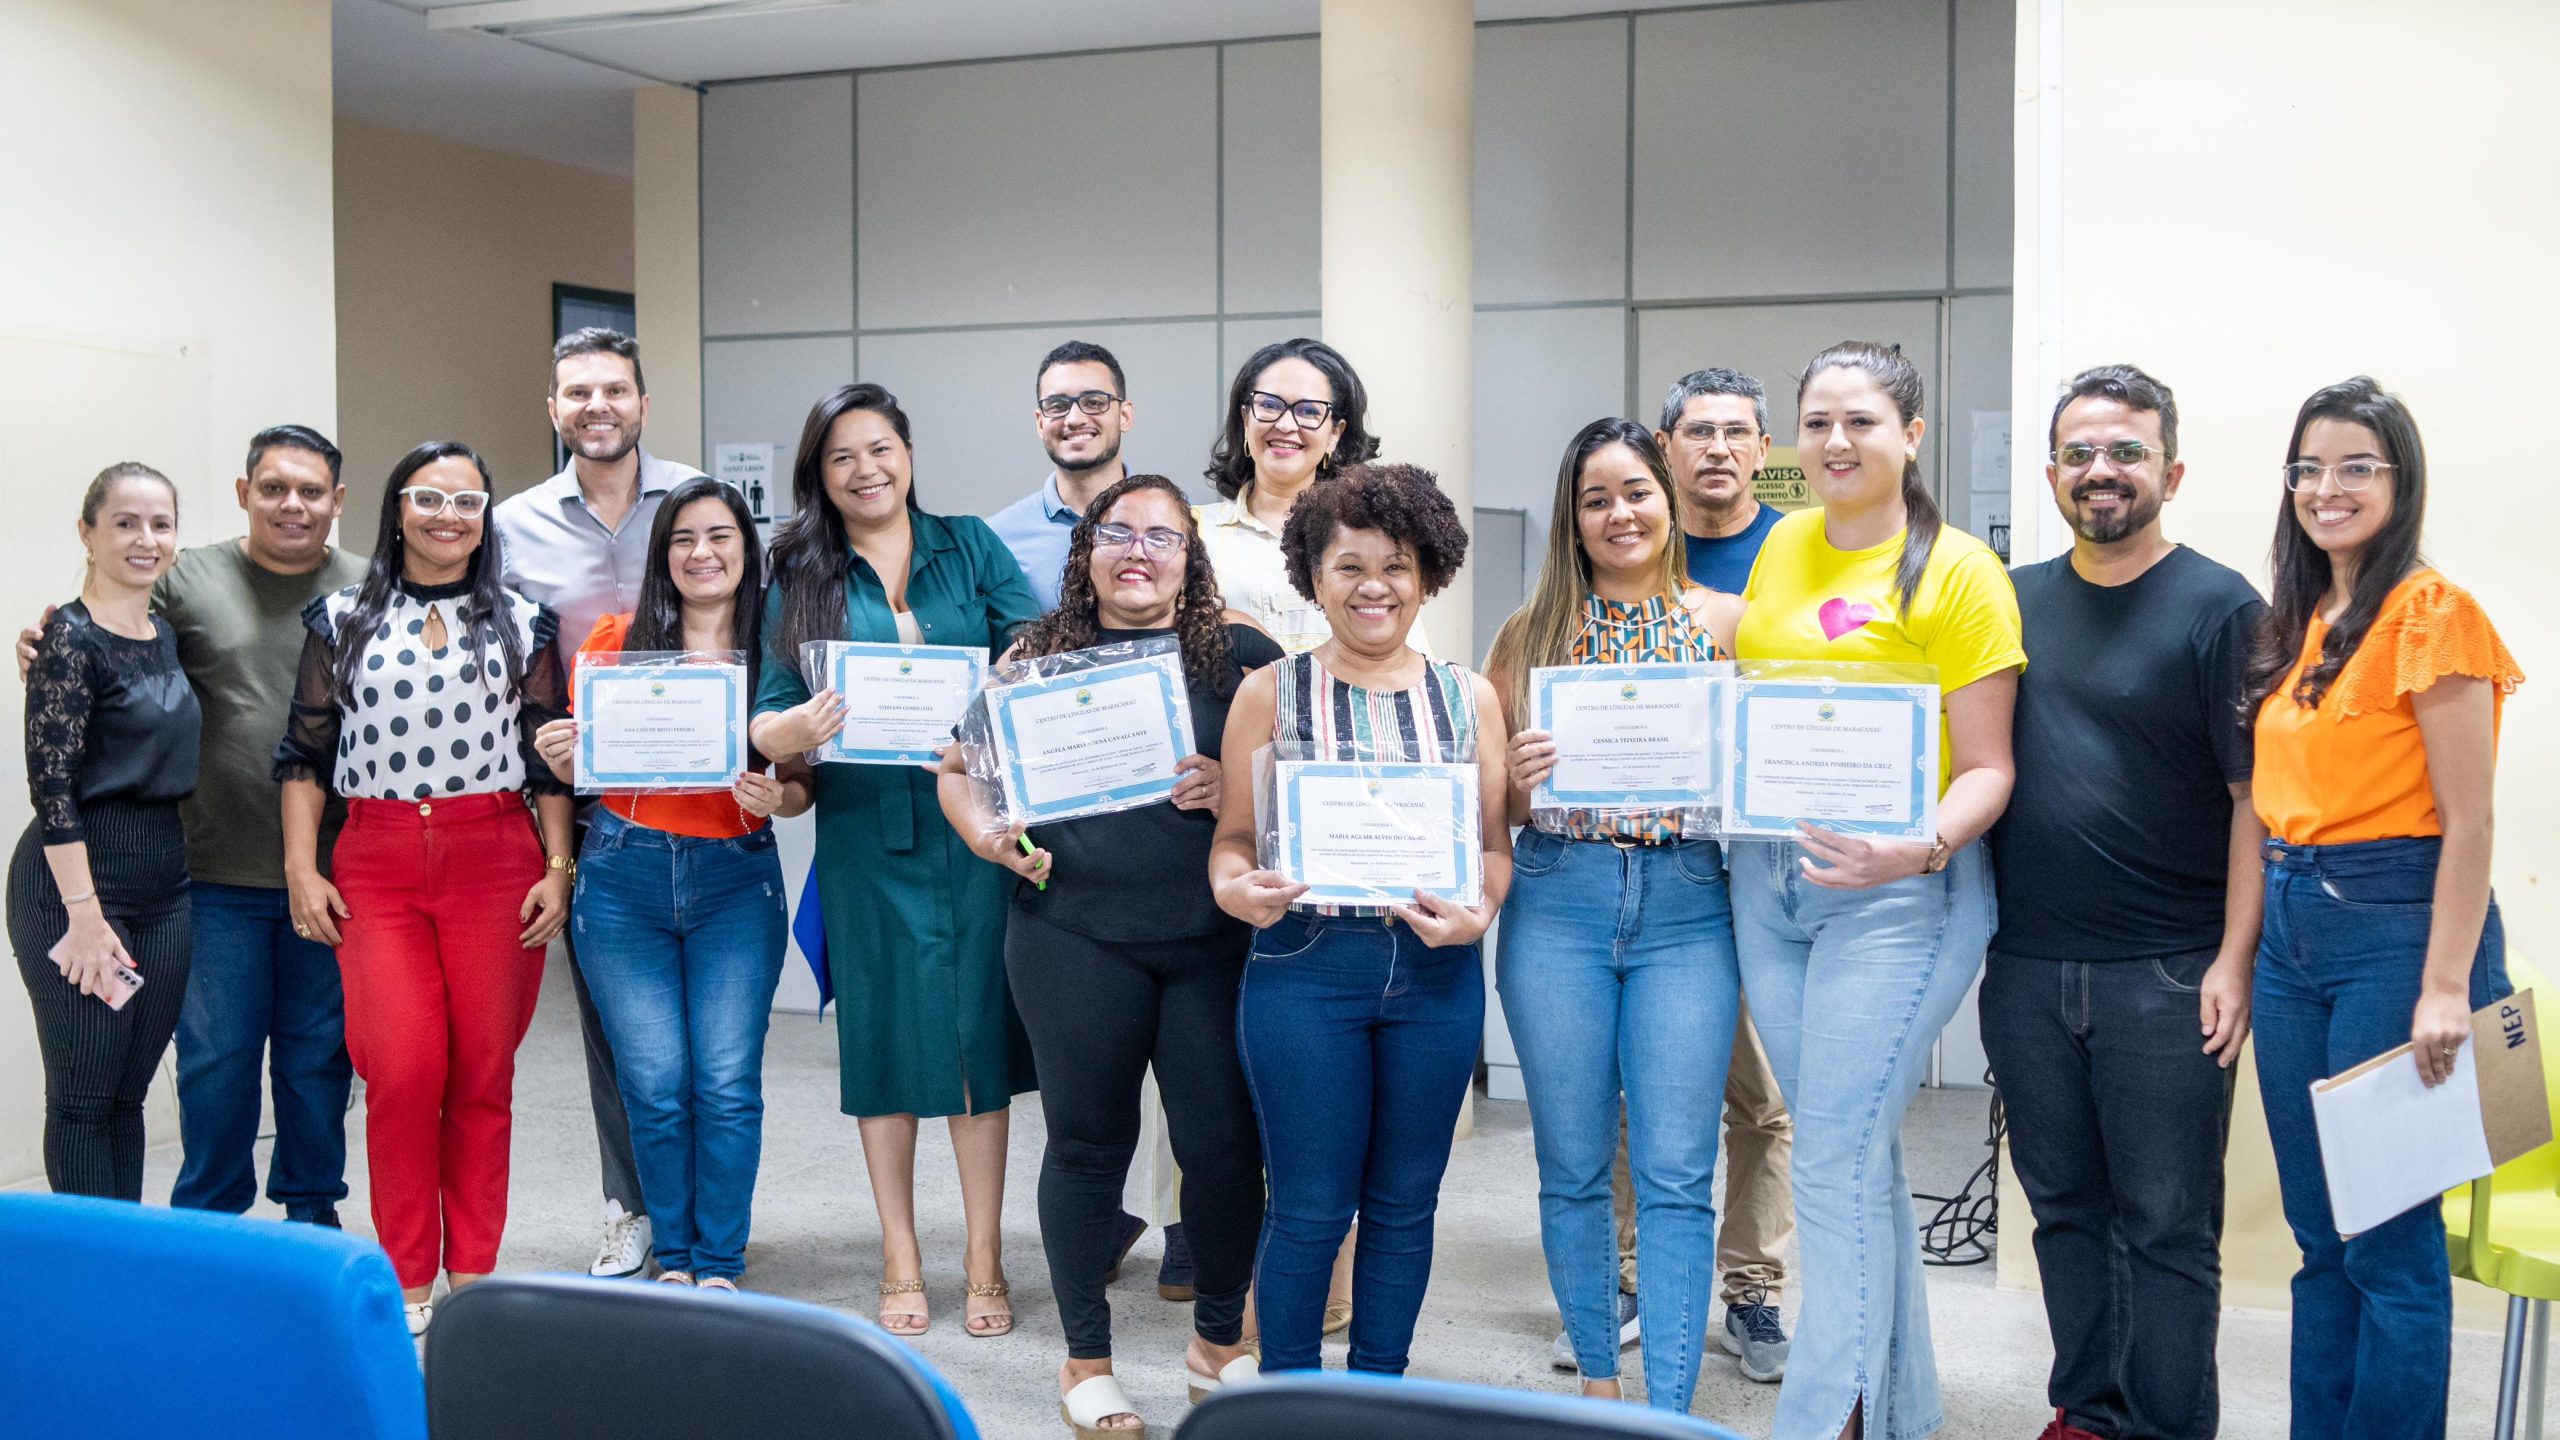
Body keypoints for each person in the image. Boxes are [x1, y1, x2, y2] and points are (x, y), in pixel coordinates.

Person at [1727, 340, 2023, 1440]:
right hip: (1768, 883)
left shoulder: (1956, 572)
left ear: (1911, 433)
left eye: (1859, 421)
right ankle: (1896, 1410)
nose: (1835, 443)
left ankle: (1822, 1419)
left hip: (1902, 897)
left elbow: (1989, 766)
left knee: (1834, 1161)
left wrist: (1915, 849)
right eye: (1816, 423)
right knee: (1851, 1154)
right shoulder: (1787, 543)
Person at [940, 474, 1278, 1436]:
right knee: (1089, 1145)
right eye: (1118, 533)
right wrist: (986, 835)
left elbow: (1300, 779)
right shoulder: (1036, 654)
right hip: (1071, 932)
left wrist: (1235, 787)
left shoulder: (1243, 656)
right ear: (1086, 549)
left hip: (1211, 941)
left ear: (1190, 556)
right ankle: (1086, 1362)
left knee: (1220, 1146)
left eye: (1163, 537)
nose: (1139, 552)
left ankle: (1220, 1343)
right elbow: (957, 773)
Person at [1985, 365, 2265, 1440]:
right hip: (2026, 968)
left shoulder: (2223, 606)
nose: (2101, 472)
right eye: (2080, 454)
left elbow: (2254, 804)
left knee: (2166, 1226)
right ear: (2052, 471)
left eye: (2126, 452)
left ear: (2171, 469)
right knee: (2063, 1213)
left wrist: (2230, 961)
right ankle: (2086, 1414)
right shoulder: (2009, 599)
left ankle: (2165, 1427)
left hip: (2168, 974)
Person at [2246, 377, 2519, 1440]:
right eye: (2309, 467)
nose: (2328, 488)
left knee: (2387, 1248)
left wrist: (2447, 988)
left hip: (2398, 934)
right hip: (2288, 927)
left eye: (2357, 465)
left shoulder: (2430, 613)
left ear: (2399, 483)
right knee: (2321, 1242)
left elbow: (2472, 824)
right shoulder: (2307, 616)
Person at [13, 428, 370, 1224]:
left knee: (318, 1060)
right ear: (244, 493)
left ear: (337, 503)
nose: (293, 505)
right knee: (215, 1063)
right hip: (205, 873)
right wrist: (44, 642)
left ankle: (312, 1212)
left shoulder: (368, 586)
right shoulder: (189, 577)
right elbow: (104, 625)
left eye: (311, 491)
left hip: (329, 872)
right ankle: (207, 1223)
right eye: (274, 487)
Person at [1209, 461, 1512, 1377]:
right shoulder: (1271, 693)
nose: (1374, 586)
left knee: (1404, 1205)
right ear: (1313, 573)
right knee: (1308, 1206)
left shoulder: (1471, 697)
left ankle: (1380, 1394)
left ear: (1428, 575)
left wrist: (1480, 911)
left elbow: (1493, 847)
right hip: (1306, 968)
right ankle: (1289, 1402)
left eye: (1396, 565)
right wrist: (1234, 890)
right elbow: (1230, 839)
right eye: (1349, 566)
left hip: (1434, 973)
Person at [750, 382, 1041, 1339]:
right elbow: (770, 709)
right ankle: (901, 1256)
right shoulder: (800, 572)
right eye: (841, 457)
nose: (865, 470)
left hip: (979, 826)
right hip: (866, 831)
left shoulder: (969, 544)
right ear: (818, 476)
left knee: (976, 1040)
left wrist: (1009, 673)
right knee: (883, 1044)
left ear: (908, 452)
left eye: (879, 449)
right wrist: (789, 726)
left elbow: (1035, 641)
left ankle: (987, 1260)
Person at [276, 441, 574, 1335]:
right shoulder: (339, 619)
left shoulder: (526, 621)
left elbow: (548, 760)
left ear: (486, 516)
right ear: (396, 508)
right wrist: (302, 866)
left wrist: (558, 869)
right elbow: (304, 756)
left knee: (483, 1072)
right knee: (402, 1072)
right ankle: (407, 1278)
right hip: (378, 858)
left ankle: (473, 1271)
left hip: (496, 855)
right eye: (429, 498)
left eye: (468, 501)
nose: (449, 516)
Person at [1485, 419, 1740, 1413]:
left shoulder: (1725, 622)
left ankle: (1669, 1407)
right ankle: (1598, 1385)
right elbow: (1497, 807)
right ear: (1572, 519)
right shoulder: (1529, 633)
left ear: (1668, 500)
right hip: (1558, 900)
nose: (1619, 513)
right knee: (1574, 1164)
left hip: (1686, 904)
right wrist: (1510, 778)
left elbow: (1756, 778)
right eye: (1596, 499)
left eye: (1636, 491)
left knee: (1678, 1169)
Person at [531, 476, 811, 1290]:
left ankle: (720, 1259)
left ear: (745, 550)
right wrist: (565, 757)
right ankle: (677, 1261)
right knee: (652, 1084)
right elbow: (595, 769)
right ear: (664, 556)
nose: (702, 553)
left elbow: (800, 785)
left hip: (735, 876)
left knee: (725, 1082)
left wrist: (778, 795)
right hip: (624, 876)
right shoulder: (616, 642)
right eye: (684, 539)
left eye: (720, 536)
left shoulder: (776, 651)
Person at [493, 326, 709, 1279]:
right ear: (554, 409)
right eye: (577, 392)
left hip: (707, 804)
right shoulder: (511, 525)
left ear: (642, 404)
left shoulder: (697, 499)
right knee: (622, 1036)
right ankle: (632, 1205)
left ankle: (706, 1214)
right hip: (590, 810)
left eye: (614, 390)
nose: (597, 407)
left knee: (716, 1040)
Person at [10, 463, 197, 1200]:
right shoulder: (67, 642)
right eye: (125, 522)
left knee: (129, 1097)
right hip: (77, 887)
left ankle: (125, 1269)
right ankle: (87, 1290)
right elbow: (51, 789)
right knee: (85, 1102)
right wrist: (84, 918)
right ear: (88, 535)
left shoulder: (166, 633)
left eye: (160, 523)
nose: (144, 538)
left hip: (164, 884)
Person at [1195, 337, 1383, 654]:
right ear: (1245, 420)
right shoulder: (1192, 531)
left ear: (1334, 434)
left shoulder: (1369, 538)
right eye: (1269, 405)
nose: (1285, 424)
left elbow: (1401, 655)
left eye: (1309, 411)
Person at [989, 340, 1137, 610]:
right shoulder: (996, 540)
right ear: (1040, 422)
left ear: (1125, 415)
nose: (1074, 419)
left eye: (1094, 402)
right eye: (1057, 405)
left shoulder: (1176, 524)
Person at [1659, 367, 1785, 595]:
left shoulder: (1794, 544)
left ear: (1762, 451)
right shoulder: (1637, 549)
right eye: (1699, 431)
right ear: (1663, 446)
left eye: (1737, 432)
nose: (1719, 450)